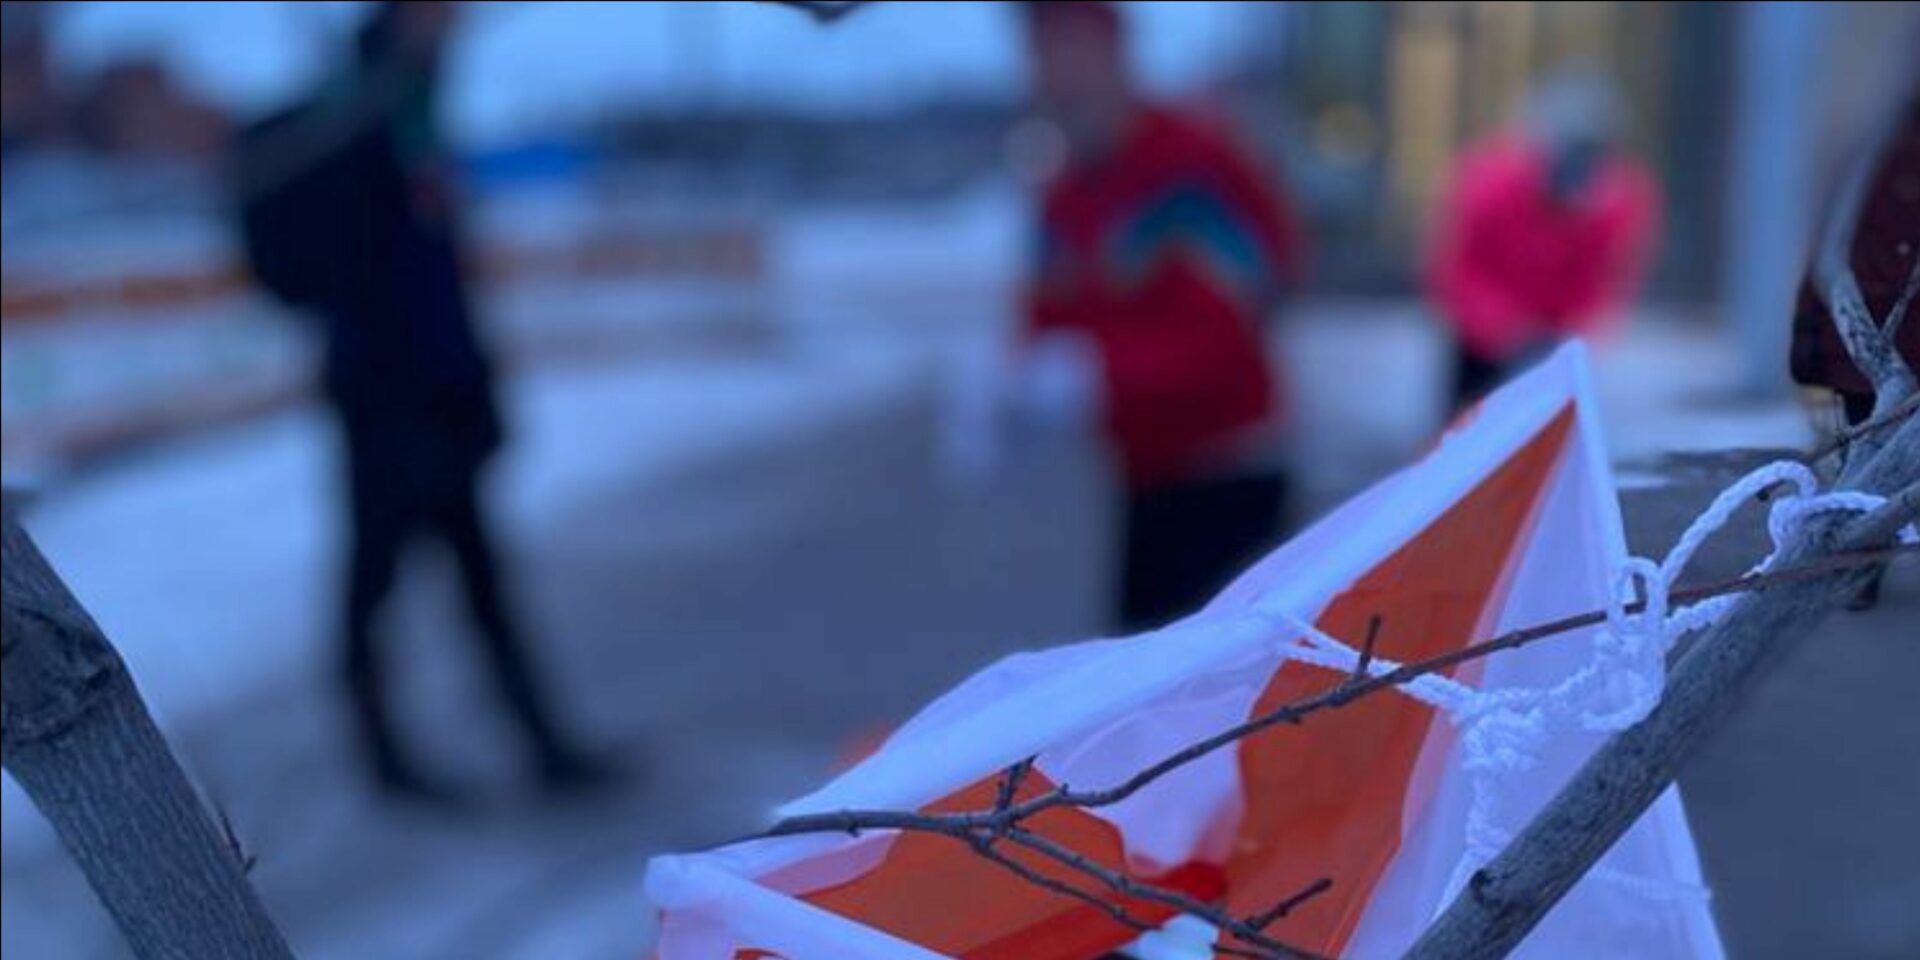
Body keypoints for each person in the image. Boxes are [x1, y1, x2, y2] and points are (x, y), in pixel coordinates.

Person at [237, 2, 603, 800]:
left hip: (444, 398)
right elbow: (319, 270)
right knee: (374, 584)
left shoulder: (414, 118)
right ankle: (387, 761)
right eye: (439, 13)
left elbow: (440, 276)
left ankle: (544, 745)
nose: (453, 28)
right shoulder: (343, 122)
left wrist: (477, 388)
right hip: (382, 405)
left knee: (481, 582)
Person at [1017, 0, 1306, 632]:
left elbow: (1239, 320)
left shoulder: (1191, 161)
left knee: (1234, 677)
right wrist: (1017, 393)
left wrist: (1102, 375)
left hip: (1232, 479)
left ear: (1115, 49)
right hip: (1142, 481)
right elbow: (1044, 322)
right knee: (1142, 668)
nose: (1057, 72)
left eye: (1072, 45)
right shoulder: (1062, 195)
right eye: (1040, 49)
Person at [1426, 77, 1660, 412]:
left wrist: (1569, 334)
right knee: (1468, 416)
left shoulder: (1617, 204)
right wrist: (1501, 326)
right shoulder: (1488, 184)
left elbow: (1601, 282)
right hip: (1481, 338)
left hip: (1550, 337)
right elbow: (1456, 269)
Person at [1789, 76, 1919, 610]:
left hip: (1867, 337)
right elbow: (1829, 254)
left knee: (1868, 458)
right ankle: (1855, 566)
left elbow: (1826, 254)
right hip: (1867, 338)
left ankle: (1856, 567)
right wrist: (1811, 336)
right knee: (1867, 458)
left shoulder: (1865, 152)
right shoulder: (1868, 155)